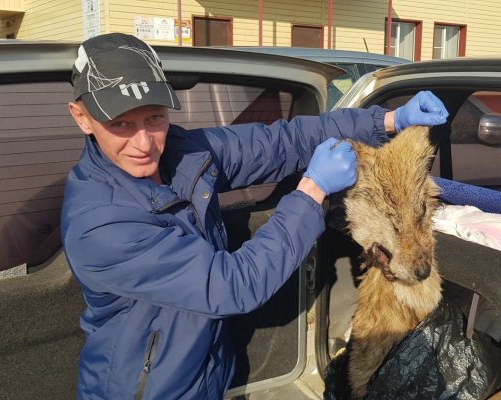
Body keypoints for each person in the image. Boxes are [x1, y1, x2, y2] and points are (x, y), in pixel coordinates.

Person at [61, 32, 448, 400]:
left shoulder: (180, 150)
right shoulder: (99, 224)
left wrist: (385, 122)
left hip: (204, 372)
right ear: (81, 117)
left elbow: (279, 142)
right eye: (121, 124)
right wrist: (312, 190)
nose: (144, 143)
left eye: (155, 118)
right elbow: (231, 285)